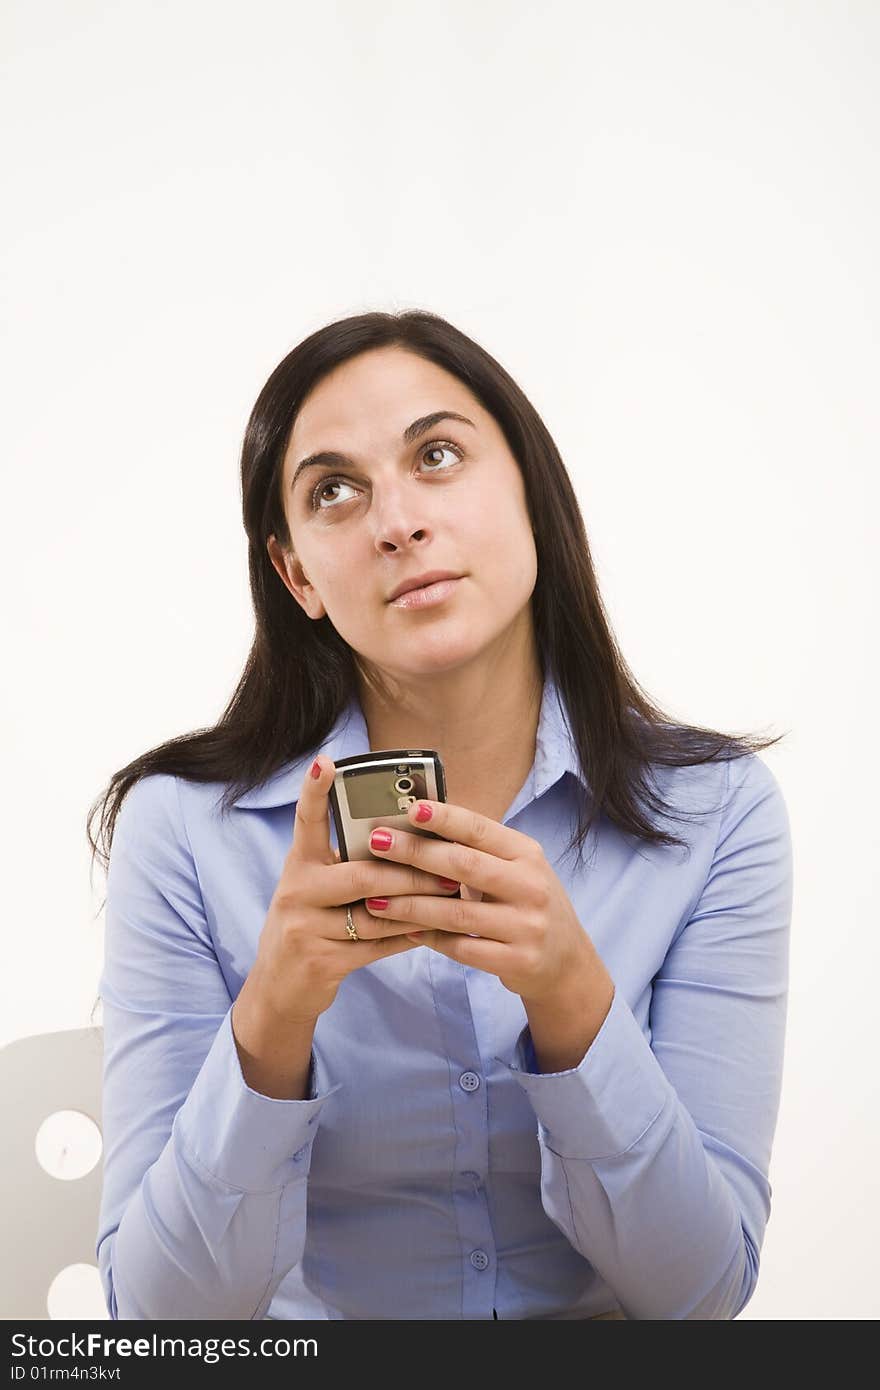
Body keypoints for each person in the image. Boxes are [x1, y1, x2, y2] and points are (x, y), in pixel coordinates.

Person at [87, 309, 792, 1321]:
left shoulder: (717, 814)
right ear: (297, 575)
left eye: (439, 455)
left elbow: (699, 1295)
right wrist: (274, 1017)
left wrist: (571, 1000)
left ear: (528, 493)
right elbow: (159, 1321)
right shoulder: (181, 831)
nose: (396, 522)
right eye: (334, 491)